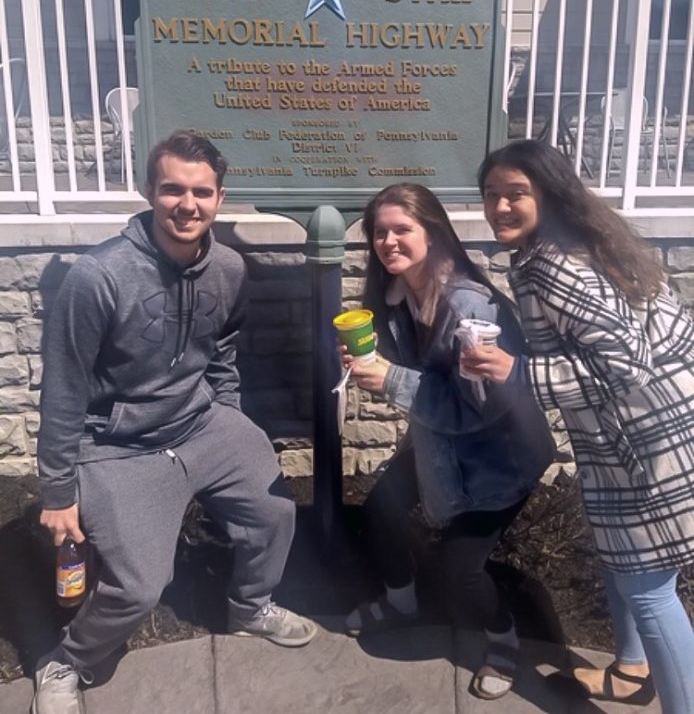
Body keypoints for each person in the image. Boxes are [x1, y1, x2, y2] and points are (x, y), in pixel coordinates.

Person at [33, 130, 316, 714]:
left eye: (202, 192)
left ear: (219, 198)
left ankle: (249, 605)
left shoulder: (232, 269)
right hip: (116, 445)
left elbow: (223, 354)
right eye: (172, 190)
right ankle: (70, 658)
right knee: (139, 587)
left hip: (201, 422)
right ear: (147, 191)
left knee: (274, 513)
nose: (188, 204)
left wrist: (233, 425)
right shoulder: (97, 278)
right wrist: (58, 490)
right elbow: (63, 389)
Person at [471, 139, 694, 714]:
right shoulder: (590, 242)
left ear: (548, 193)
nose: (500, 207)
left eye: (515, 194)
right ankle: (631, 671)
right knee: (625, 561)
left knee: (649, 588)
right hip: (652, 429)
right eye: (491, 195)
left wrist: (519, 372)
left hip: (642, 446)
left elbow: (627, 362)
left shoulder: (556, 265)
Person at [339, 183, 554, 701]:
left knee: (459, 570)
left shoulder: (467, 309)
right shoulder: (396, 299)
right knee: (381, 512)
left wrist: (389, 380)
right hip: (441, 449)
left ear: (433, 235)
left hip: (497, 459)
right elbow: (422, 382)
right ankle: (401, 602)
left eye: (401, 230)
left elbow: (475, 408)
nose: (388, 242)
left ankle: (502, 641)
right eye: (379, 233)